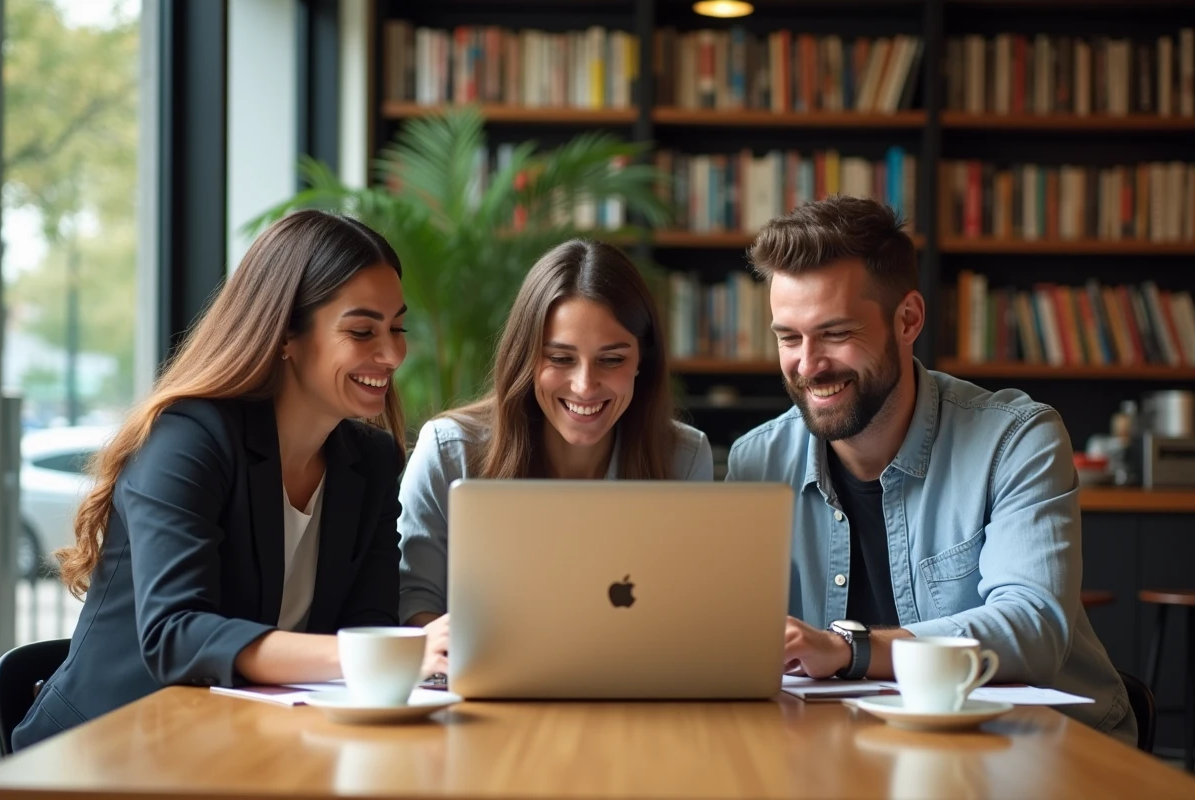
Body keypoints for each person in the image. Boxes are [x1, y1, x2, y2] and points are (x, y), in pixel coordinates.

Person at [13, 210, 447, 751]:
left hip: (249, 746)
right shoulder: (187, 440)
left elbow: (369, 619)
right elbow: (176, 634)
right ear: (286, 333)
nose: (393, 353)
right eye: (363, 331)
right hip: (107, 750)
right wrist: (380, 653)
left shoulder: (372, 462)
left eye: (397, 327)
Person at [726, 196, 1134, 744]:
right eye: (788, 337)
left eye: (836, 333)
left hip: (1034, 747)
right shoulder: (756, 462)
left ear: (908, 319)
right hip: (841, 751)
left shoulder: (1016, 440)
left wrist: (849, 650)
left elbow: (1033, 627)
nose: (808, 364)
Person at [398, 239, 714, 627]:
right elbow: (412, 601)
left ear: (641, 362)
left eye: (612, 360)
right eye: (561, 359)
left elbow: (691, 612)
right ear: (526, 358)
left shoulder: (683, 456)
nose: (584, 386)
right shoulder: (448, 452)